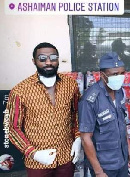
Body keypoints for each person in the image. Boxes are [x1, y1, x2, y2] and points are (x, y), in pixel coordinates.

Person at [7, 42, 81, 177]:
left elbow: (76, 113)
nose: (48, 62)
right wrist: (32, 153)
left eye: (53, 58)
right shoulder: (20, 91)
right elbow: (12, 128)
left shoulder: (71, 84)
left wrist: (77, 138)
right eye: (42, 59)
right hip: (37, 161)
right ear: (34, 61)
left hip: (66, 156)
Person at [79, 52, 130, 177]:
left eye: (122, 73)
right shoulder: (90, 100)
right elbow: (85, 138)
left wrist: (128, 148)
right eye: (115, 74)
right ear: (103, 76)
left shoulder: (119, 92)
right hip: (104, 165)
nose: (119, 77)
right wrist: (98, 172)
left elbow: (121, 122)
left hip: (122, 159)